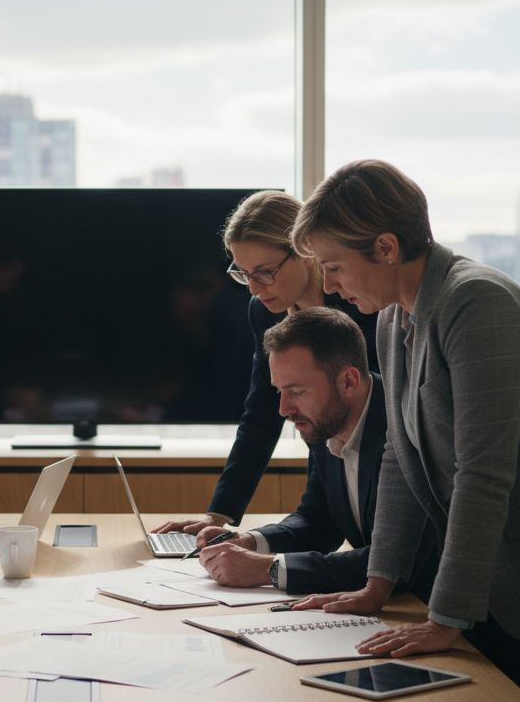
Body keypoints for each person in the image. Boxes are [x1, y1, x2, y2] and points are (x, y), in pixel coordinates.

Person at [286, 159, 520, 702]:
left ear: (386, 247)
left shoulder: (478, 303)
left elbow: (483, 474)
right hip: (501, 568)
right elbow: (399, 454)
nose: (330, 286)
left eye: (334, 266)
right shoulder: (393, 318)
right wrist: (376, 585)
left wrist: (445, 618)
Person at [152, 190, 378, 536]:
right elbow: (261, 409)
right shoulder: (263, 312)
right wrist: (220, 514)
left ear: (305, 252)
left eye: (264, 272)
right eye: (243, 274)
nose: (255, 289)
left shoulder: (361, 306)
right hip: (326, 468)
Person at [196, 308, 438, 598]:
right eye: (279, 391)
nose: (284, 410)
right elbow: (317, 522)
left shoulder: (406, 426)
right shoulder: (325, 423)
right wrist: (250, 541)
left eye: (297, 391)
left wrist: (268, 569)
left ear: (348, 381)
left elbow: (396, 563)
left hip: (443, 617)